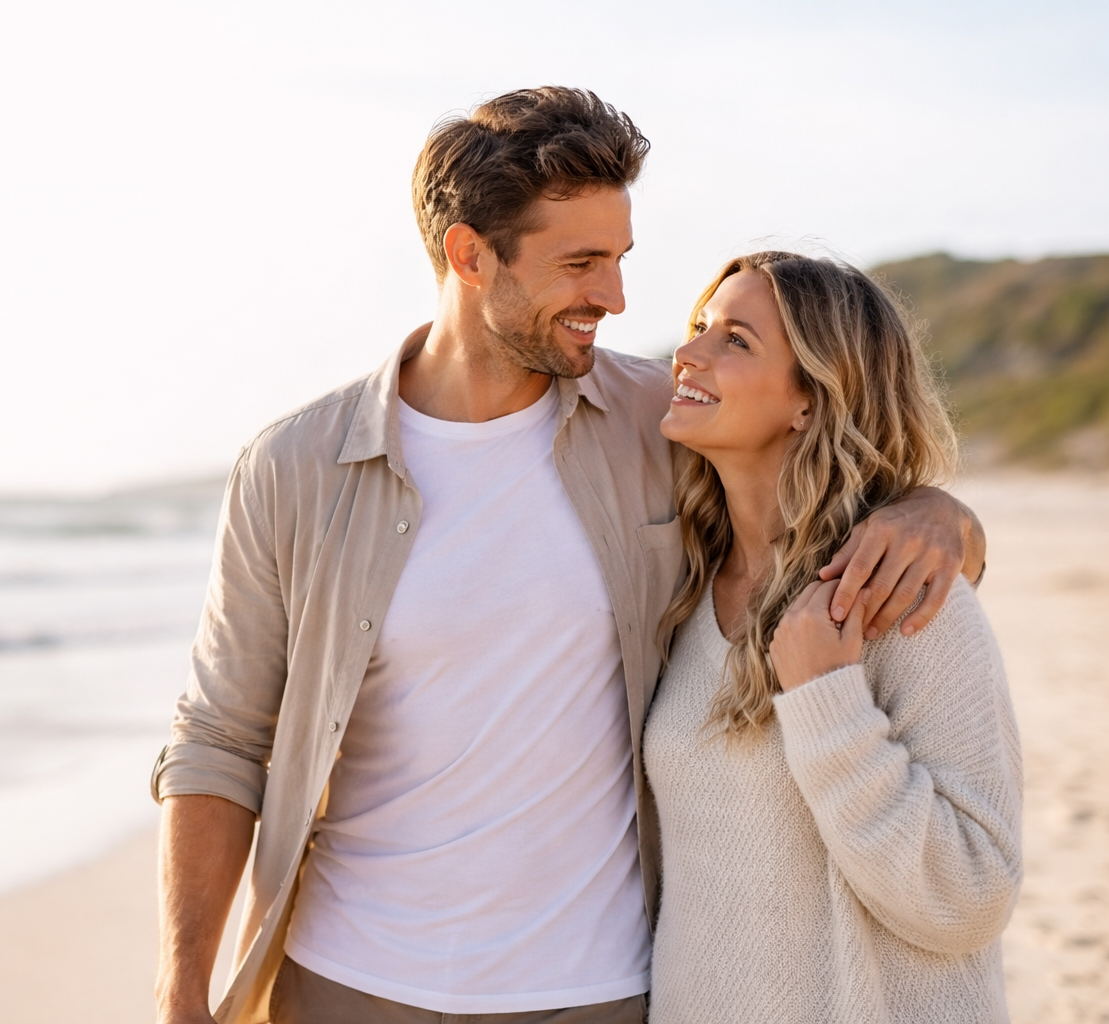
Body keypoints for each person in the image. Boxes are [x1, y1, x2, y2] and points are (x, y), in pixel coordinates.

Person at [152, 88, 987, 1024]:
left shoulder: (654, 423)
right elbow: (222, 738)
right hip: (347, 981)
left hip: (598, 991)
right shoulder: (295, 468)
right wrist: (183, 988)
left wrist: (932, 510)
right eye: (581, 262)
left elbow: (817, 459)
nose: (616, 298)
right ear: (470, 256)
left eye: (620, 258)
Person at [644, 252, 1021, 1022]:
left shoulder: (904, 602)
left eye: (736, 340)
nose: (688, 354)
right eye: (698, 328)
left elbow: (971, 897)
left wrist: (828, 703)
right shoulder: (678, 594)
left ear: (811, 403)